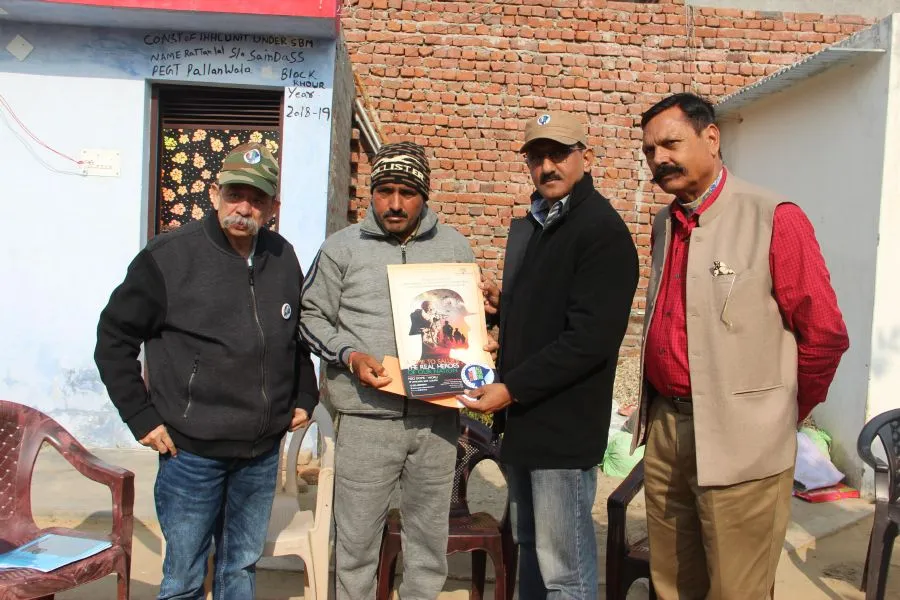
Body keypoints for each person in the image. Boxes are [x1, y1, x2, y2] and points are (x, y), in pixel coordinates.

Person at [633, 93, 850, 599]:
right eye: (649, 151)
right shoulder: (667, 223)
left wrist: (780, 411)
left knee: (737, 589)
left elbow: (825, 336)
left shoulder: (773, 216)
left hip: (744, 438)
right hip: (667, 428)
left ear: (712, 138)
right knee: (672, 582)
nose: (659, 158)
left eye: (671, 143)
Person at [94, 143, 318, 600]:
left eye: (257, 199)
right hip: (191, 454)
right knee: (183, 579)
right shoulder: (169, 257)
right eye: (235, 193)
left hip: (259, 453)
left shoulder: (282, 255)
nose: (244, 207)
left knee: (240, 569)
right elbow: (113, 339)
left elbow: (293, 333)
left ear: (273, 207)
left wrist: (304, 393)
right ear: (215, 194)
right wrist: (141, 417)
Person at [299, 141, 494, 599]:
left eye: (406, 192)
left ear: (425, 195)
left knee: (428, 544)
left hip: (437, 421)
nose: (394, 203)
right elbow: (310, 315)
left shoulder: (454, 246)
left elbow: (466, 320)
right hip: (367, 419)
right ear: (371, 193)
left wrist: (484, 336)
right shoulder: (341, 249)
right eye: (384, 190)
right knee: (357, 542)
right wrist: (348, 354)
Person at [462, 111, 639, 599]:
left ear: (586, 156)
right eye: (537, 157)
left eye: (559, 154)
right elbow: (548, 312)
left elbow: (588, 339)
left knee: (564, 567)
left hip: (561, 428)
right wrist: (504, 309)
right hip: (522, 422)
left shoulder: (601, 231)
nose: (548, 166)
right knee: (531, 548)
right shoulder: (535, 224)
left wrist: (510, 387)